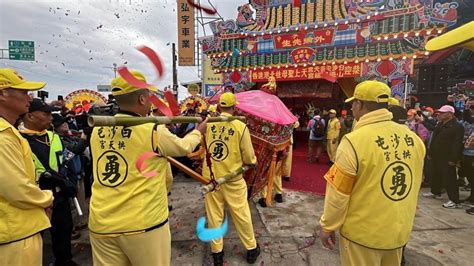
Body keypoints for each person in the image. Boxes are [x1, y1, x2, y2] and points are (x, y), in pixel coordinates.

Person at [88, 71, 206, 266]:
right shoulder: (152, 130)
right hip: (143, 223)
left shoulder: (98, 130)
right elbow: (184, 147)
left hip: (102, 222)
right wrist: (198, 132)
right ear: (142, 98)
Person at [319, 81, 425, 265]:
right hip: (398, 232)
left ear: (359, 105)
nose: (351, 107)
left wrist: (328, 226)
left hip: (362, 234)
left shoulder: (353, 141)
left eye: (353, 103)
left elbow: (339, 193)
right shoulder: (413, 139)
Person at [0, 68, 54, 265]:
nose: (29, 97)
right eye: (23, 92)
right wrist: (47, 199)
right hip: (14, 234)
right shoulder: (3, 136)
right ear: (2, 94)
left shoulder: (9, 132)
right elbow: (16, 189)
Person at [202, 92, 260, 266]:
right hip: (233, 179)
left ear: (220, 106)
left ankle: (217, 255)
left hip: (211, 179)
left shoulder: (209, 124)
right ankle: (251, 250)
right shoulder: (240, 127)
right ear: (235, 108)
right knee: (241, 214)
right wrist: (253, 162)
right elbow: (249, 158)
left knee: (214, 217)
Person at [20, 98, 78, 266]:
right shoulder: (18, 139)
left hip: (61, 196)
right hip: (35, 199)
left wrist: (70, 180)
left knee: (63, 231)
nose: (51, 117)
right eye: (46, 114)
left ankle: (65, 261)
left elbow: (65, 159)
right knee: (34, 239)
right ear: (30, 116)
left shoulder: (53, 137)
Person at [423, 105, 465, 209]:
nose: (439, 114)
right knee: (435, 174)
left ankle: (454, 200)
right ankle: (435, 191)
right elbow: (435, 138)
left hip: (447, 156)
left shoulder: (457, 126)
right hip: (437, 154)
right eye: (439, 112)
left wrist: (454, 159)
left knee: (450, 178)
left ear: (450, 114)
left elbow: (457, 144)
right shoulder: (440, 124)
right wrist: (431, 153)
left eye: (442, 113)